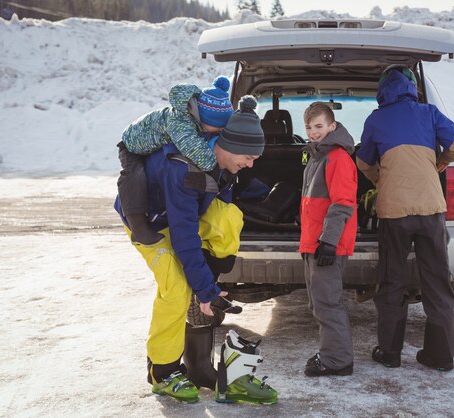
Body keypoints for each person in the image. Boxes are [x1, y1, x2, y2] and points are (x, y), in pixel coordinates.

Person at [114, 96, 277, 404]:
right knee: (175, 287)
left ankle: (199, 361)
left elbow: (218, 213)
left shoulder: (221, 159)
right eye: (248, 156)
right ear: (227, 146)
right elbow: (184, 235)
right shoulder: (185, 169)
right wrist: (203, 290)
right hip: (150, 222)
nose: (251, 163)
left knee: (229, 217)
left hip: (179, 215)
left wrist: (207, 281)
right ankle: (162, 372)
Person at [357, 66, 454, 372]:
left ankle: (390, 353)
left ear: (381, 91)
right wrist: (440, 162)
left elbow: (363, 161)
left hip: (394, 213)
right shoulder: (428, 112)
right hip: (432, 209)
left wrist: (381, 178)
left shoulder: (376, 119)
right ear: (410, 87)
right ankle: (440, 356)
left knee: (393, 282)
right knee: (437, 283)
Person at [117, 76, 233, 245]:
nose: (221, 131)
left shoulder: (196, 117)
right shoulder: (180, 123)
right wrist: (216, 160)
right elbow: (198, 153)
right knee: (134, 176)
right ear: (205, 120)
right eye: (220, 127)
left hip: (154, 144)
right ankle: (138, 228)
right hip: (132, 145)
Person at [299, 102, 358, 377]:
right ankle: (332, 352)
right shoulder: (317, 157)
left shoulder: (337, 158)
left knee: (328, 303)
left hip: (327, 244)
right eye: (309, 127)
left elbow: (343, 203)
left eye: (319, 126)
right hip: (313, 241)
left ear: (332, 126)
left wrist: (329, 241)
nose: (313, 132)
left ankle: (338, 361)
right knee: (318, 302)